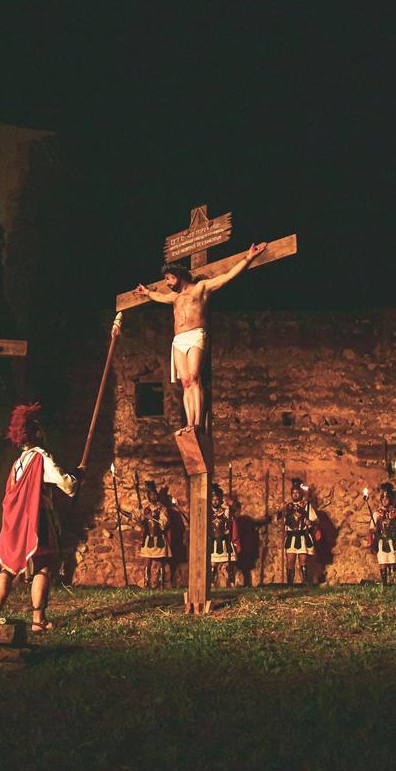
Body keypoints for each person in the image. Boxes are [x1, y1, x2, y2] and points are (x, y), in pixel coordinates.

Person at [133, 242, 267, 434]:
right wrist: (146, 292)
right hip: (178, 340)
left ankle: (198, 423)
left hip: (196, 335)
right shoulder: (174, 298)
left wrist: (249, 257)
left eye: (169, 279)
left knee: (195, 378)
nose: (167, 283)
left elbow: (227, 276)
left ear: (178, 276)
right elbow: (158, 297)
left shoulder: (201, 287)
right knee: (185, 382)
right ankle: (189, 424)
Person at [0, 403, 79, 632]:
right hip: (37, 520)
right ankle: (38, 620)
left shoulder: (17, 463)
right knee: (43, 567)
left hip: (14, 523)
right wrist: (77, 478)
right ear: (35, 432)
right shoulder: (41, 458)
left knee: (7, 569)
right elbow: (65, 483)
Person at [133, 480, 172, 589]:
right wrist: (141, 516)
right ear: (148, 496)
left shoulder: (162, 509)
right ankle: (146, 583)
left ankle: (160, 584)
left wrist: (154, 518)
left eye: (155, 494)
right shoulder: (145, 509)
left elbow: (164, 523)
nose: (153, 496)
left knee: (160, 562)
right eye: (151, 494)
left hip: (159, 538)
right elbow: (138, 520)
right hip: (148, 538)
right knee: (147, 561)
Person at [280, 478, 318, 585]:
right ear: (291, 494)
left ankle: (304, 583)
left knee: (303, 562)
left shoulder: (307, 506)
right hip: (291, 537)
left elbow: (315, 520)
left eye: (297, 492)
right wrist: (280, 510)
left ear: (300, 493)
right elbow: (280, 521)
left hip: (303, 537)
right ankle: (290, 585)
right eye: (293, 493)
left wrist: (309, 522)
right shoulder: (287, 507)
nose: (295, 494)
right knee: (290, 562)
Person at [370, 483, 396, 586]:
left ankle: (394, 582)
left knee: (394, 561)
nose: (385, 500)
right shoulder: (377, 514)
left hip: (393, 541)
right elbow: (372, 528)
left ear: (391, 499)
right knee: (383, 561)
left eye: (387, 498)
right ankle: (385, 584)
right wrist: (374, 529)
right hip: (381, 541)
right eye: (383, 498)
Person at [208, 483, 240, 588]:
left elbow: (232, 515)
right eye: (213, 499)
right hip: (213, 542)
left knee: (227, 565)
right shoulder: (208, 512)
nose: (215, 501)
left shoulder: (226, 510)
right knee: (212, 565)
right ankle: (212, 585)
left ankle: (231, 584)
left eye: (217, 499)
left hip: (224, 541)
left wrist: (229, 506)